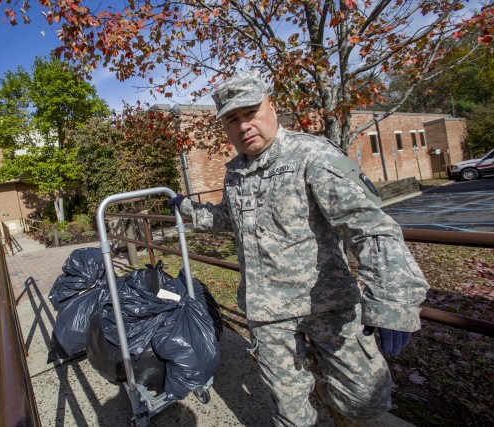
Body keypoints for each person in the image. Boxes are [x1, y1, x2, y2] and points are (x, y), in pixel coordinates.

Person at [168, 71, 429, 426]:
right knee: (290, 412)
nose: (243, 125)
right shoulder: (235, 173)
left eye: (250, 112)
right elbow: (230, 218)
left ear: (271, 108)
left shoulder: (313, 156)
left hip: (327, 304)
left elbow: (370, 227)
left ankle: (332, 396)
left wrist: (393, 300)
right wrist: (186, 208)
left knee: (366, 402)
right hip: (269, 314)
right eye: (232, 119)